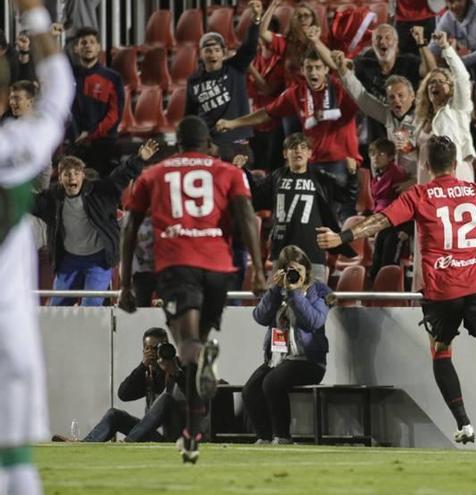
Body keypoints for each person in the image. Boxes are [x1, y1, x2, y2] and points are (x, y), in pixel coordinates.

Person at [317, 135, 476, 442]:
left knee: (441, 353)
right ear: (455, 164)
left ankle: (464, 423)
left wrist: (342, 238)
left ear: (425, 165)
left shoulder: (419, 195)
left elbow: (380, 222)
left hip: (442, 291)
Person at [118, 115, 268, 463]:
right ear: (208, 145)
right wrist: (259, 271)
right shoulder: (229, 172)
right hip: (218, 268)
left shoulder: (153, 174)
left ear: (178, 144)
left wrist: (126, 284)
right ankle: (192, 432)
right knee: (196, 347)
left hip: (176, 264)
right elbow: (247, 218)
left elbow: (129, 227)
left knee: (186, 346)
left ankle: (197, 388)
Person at [0, 2, 74, 492]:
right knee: (17, 466)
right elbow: (60, 90)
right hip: (10, 338)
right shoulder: (19, 146)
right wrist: (33, 14)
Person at [217, 47, 361, 221]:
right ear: (302, 70)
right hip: (312, 164)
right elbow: (266, 113)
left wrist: (344, 69)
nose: (313, 72)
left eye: (317, 67)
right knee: (311, 219)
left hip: (340, 164)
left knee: (337, 218)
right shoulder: (296, 93)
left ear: (326, 69)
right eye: (309, 68)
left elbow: (358, 97)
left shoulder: (340, 89)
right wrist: (234, 123)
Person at [33, 141, 157, 307]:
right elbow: (27, 201)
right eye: (67, 174)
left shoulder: (100, 192)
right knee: (57, 307)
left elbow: (121, 176)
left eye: (76, 173)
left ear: (83, 176)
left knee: (91, 305)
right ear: (60, 178)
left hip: (98, 260)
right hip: (69, 260)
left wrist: (140, 158)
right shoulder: (51, 199)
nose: (72, 178)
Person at [244, 245, 331, 444]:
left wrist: (295, 294)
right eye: (290, 271)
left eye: (299, 271)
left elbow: (314, 321)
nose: (295, 275)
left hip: (309, 361)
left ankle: (282, 436)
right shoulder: (278, 291)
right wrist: (275, 291)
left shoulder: (319, 290)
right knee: (250, 390)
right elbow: (260, 317)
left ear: (306, 269)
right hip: (279, 358)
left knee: (271, 383)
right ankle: (264, 437)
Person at [248, 132, 357, 281]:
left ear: (310, 153)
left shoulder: (320, 178)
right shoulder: (276, 176)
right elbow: (256, 199)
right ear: (285, 153)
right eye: (293, 147)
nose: (298, 150)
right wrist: (243, 172)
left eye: (303, 147)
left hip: (313, 254)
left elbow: (347, 196)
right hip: (282, 254)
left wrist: (352, 174)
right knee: (277, 303)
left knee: (312, 303)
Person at [67, 328, 185, 443]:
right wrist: (143, 365)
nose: (157, 353)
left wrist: (175, 371)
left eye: (160, 347)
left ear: (168, 346)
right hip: (153, 435)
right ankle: (87, 443)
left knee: (166, 399)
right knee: (114, 415)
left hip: (178, 435)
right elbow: (123, 394)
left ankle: (128, 441)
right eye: (151, 349)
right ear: (144, 350)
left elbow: (195, 395)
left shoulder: (182, 367)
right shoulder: (148, 373)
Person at [185, 1, 259, 160]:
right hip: (210, 145)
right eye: (208, 50)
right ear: (201, 54)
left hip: (237, 142)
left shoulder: (235, 67)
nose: (213, 54)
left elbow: (250, 46)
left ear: (224, 53)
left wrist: (256, 20)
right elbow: (190, 115)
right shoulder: (193, 81)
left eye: (217, 50)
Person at [337, 54, 419, 178]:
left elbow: (431, 157)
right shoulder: (387, 114)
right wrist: (343, 71)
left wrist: (415, 181)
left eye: (401, 95)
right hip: (396, 179)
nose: (396, 100)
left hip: (418, 182)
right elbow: (362, 98)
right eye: (391, 97)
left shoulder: (423, 119)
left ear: (412, 97)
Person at [414, 30, 476, 183]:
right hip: (427, 178)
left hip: (457, 174)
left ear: (451, 88)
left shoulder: (457, 108)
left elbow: (462, 77)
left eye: (441, 82)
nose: (435, 85)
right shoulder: (421, 120)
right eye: (432, 82)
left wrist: (446, 47)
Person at [67, 26, 124, 177]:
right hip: (75, 145)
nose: (88, 46)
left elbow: (115, 114)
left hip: (104, 145)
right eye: (83, 42)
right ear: (75, 48)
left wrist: (91, 133)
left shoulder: (113, 78)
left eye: (92, 42)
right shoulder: (67, 77)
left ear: (98, 47)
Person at [246, 0, 288, 171]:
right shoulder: (255, 57)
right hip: (255, 123)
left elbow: (268, 89)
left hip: (274, 124)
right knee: (256, 168)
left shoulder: (280, 60)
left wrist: (250, 69)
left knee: (271, 168)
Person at [367, 138, 410, 280]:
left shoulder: (397, 174)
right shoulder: (378, 175)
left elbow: (405, 203)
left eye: (381, 154)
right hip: (382, 223)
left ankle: (390, 296)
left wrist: (406, 229)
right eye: (373, 154)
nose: (376, 158)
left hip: (396, 225)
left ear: (391, 157)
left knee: (389, 263)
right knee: (377, 261)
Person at [430, 0, 476, 92]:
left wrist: (454, 62)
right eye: (449, 1)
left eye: (457, 1)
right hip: (470, 63)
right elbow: (432, 49)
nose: (453, 6)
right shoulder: (448, 17)